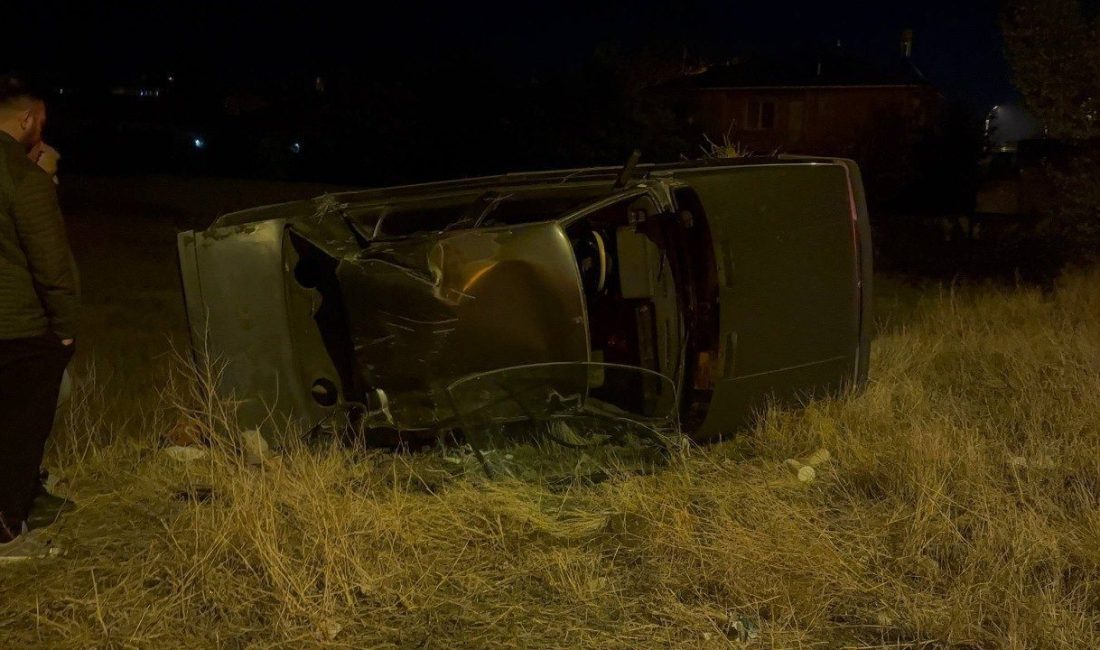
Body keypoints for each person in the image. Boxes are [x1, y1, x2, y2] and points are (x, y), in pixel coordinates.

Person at [0, 76, 79, 560]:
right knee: (19, 430)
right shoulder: (26, 180)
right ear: (27, 119)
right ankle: (8, 534)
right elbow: (51, 264)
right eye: (41, 120)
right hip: (18, 330)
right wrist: (66, 328)